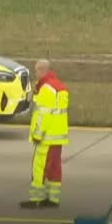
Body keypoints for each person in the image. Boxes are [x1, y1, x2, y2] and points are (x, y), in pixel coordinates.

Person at [20, 59, 70, 209]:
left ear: (43, 70)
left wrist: (37, 134)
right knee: (54, 167)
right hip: (58, 135)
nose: (36, 73)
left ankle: (36, 198)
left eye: (37, 70)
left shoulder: (47, 88)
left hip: (46, 136)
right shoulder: (60, 86)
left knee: (39, 167)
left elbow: (43, 114)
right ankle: (53, 198)